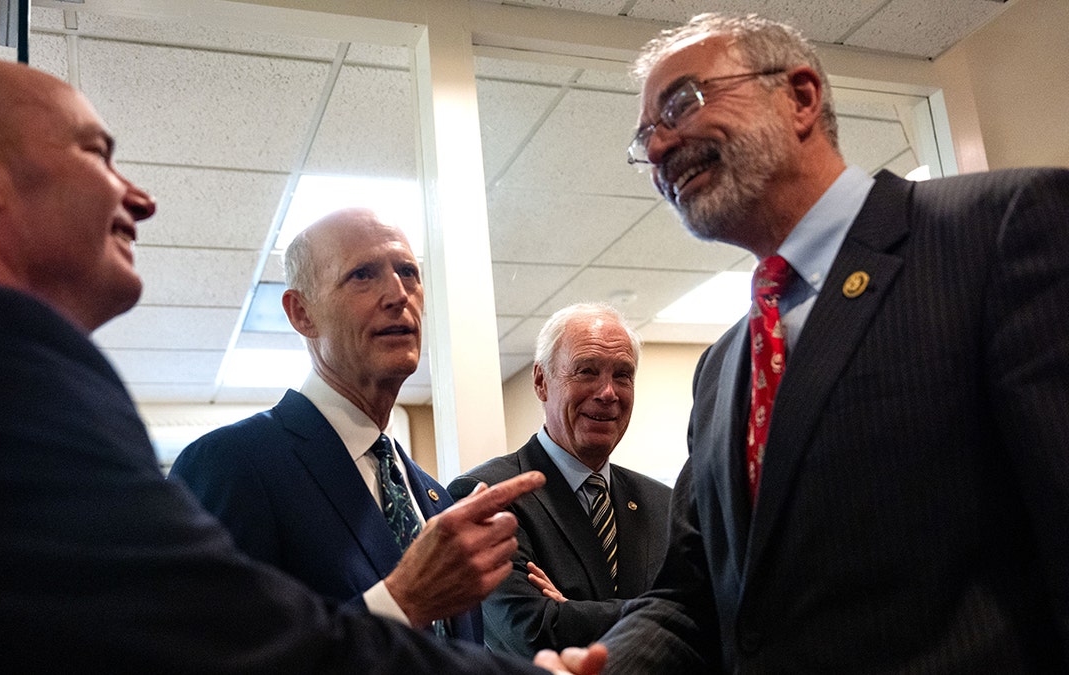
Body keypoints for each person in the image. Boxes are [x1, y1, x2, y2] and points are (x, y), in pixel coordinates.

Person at [0, 55, 612, 674]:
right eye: (96, 153)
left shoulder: (429, 495)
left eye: (410, 274)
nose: (141, 198)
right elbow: (202, 641)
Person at [544, 12, 1069, 673]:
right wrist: (598, 666)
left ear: (799, 97)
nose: (657, 148)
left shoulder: (999, 230)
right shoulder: (721, 369)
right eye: (644, 136)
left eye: (679, 105)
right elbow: (694, 597)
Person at [170, 207, 499, 642]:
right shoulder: (229, 463)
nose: (398, 294)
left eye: (408, 272)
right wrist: (400, 605)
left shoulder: (434, 500)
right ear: (301, 313)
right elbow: (207, 652)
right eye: (362, 275)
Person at [448, 303, 672, 658]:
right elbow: (532, 632)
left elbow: (706, 621)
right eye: (587, 371)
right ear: (541, 381)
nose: (608, 392)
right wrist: (659, 612)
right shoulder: (486, 496)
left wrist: (571, 612)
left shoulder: (664, 504)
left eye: (622, 375)